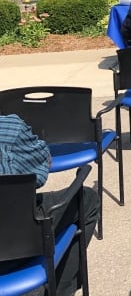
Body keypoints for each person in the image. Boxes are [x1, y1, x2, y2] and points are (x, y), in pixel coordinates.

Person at [0, 114, 98, 296]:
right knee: (88, 200)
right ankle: (60, 291)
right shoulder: (9, 127)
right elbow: (40, 172)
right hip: (16, 240)